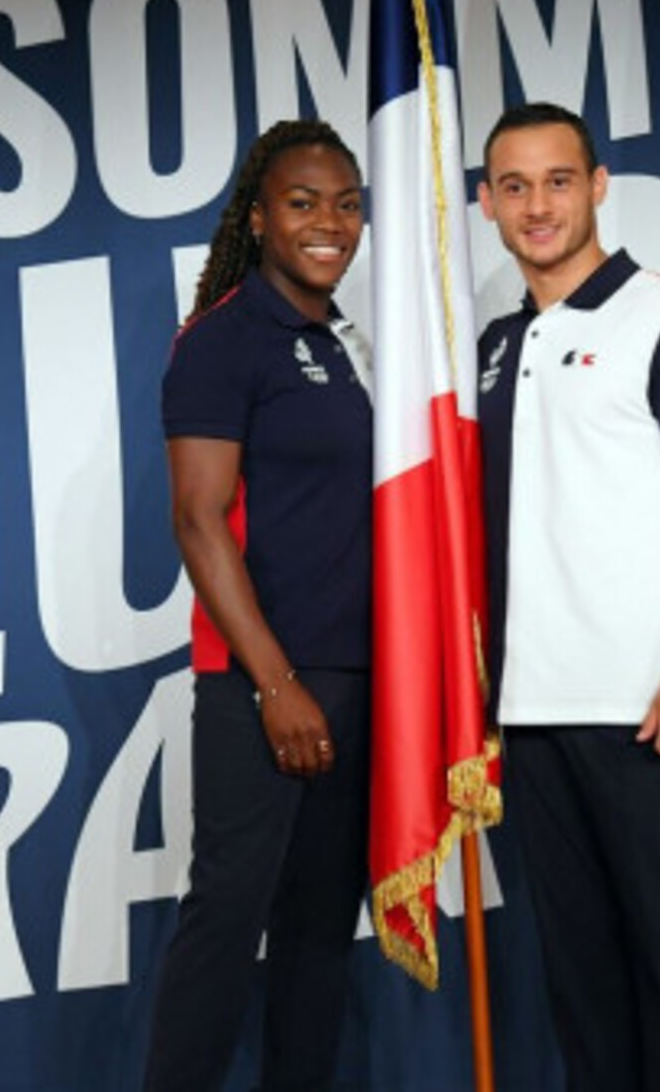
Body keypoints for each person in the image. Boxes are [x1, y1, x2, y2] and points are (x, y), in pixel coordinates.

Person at [474, 101, 660, 1092]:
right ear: (487, 203)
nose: (537, 204)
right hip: (530, 719)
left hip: (647, 713)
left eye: (558, 180)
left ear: (599, 186)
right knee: (585, 996)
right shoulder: (496, 346)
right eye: (513, 185)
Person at [144, 119, 373, 1092]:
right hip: (260, 682)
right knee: (229, 920)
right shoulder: (223, 339)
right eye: (303, 202)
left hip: (358, 676)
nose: (330, 222)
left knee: (322, 927)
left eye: (347, 203)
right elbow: (198, 521)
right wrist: (275, 684)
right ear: (258, 216)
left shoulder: (349, 342)